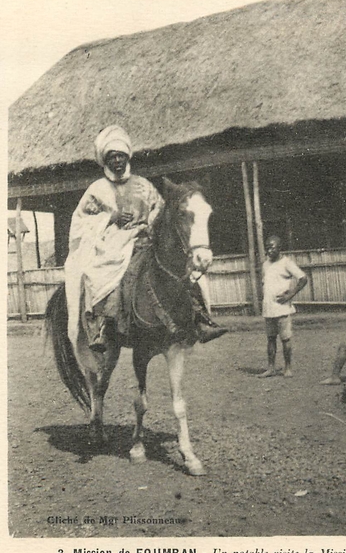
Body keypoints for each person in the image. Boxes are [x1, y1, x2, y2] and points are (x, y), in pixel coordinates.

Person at [64, 125, 226, 353]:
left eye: (121, 155)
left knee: (181, 268)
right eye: (112, 157)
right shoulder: (96, 190)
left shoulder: (143, 185)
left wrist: (149, 225)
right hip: (111, 245)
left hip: (145, 239)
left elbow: (160, 211)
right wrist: (111, 217)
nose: (117, 161)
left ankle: (200, 318)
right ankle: (100, 326)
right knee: (98, 275)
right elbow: (80, 222)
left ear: (128, 156)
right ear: (105, 161)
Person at [258, 235, 308, 378]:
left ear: (279, 248)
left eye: (272, 247)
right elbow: (265, 283)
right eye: (267, 247)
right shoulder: (265, 264)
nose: (269, 250)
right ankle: (271, 368)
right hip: (269, 308)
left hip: (282, 308)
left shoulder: (287, 263)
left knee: (285, 339)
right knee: (270, 339)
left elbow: (303, 278)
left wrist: (290, 295)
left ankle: (288, 368)